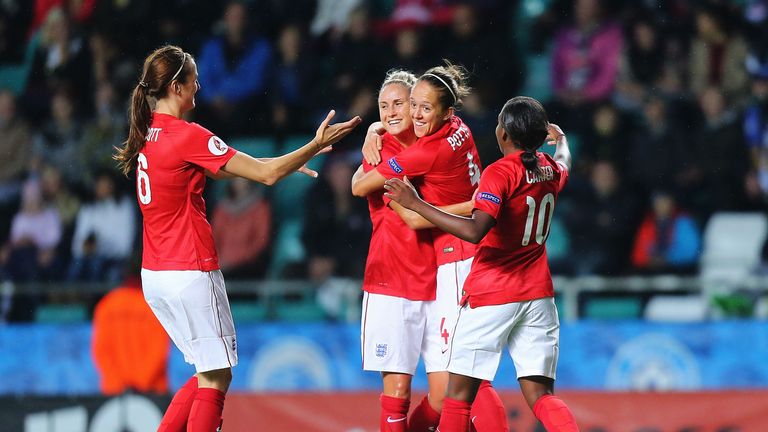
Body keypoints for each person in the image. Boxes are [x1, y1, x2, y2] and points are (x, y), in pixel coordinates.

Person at [113, 45, 360, 432]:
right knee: (216, 377)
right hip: (189, 270)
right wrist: (313, 147)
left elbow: (247, 170)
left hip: (156, 275)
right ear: (177, 87)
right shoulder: (188, 135)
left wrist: (289, 162)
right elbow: (265, 176)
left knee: (204, 372)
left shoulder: (149, 136)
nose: (200, 86)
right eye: (194, 79)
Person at [384, 96, 579, 432]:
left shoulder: (500, 172)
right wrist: (561, 139)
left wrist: (416, 204)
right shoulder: (548, 168)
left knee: (458, 396)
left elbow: (475, 231)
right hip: (538, 295)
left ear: (504, 134)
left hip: (493, 293)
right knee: (541, 395)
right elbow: (565, 163)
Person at [352, 65, 506, 432]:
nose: (392, 113)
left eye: (401, 104)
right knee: (399, 389)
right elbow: (359, 186)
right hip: (392, 281)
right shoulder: (381, 150)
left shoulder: (428, 144)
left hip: (440, 280)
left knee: (444, 397)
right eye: (383, 106)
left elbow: (412, 211)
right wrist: (372, 133)